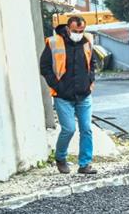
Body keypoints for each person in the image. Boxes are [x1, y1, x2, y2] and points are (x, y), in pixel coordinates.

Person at [39, 15, 99, 174]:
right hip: (63, 96)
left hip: (84, 95)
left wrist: (90, 80)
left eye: (81, 30)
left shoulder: (87, 41)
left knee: (86, 129)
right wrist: (57, 86)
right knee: (69, 129)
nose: (78, 33)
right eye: (75, 31)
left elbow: (93, 63)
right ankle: (60, 158)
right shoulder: (54, 42)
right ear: (67, 28)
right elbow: (44, 67)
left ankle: (85, 164)